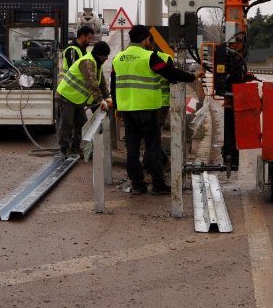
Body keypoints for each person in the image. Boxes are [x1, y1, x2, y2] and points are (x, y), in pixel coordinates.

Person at [111, 25, 204, 195]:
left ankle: (138, 184)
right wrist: (193, 76)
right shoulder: (149, 57)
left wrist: (117, 107)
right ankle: (158, 184)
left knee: (131, 150)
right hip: (147, 110)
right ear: (146, 39)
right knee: (152, 147)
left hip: (127, 112)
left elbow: (113, 85)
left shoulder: (118, 59)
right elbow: (171, 74)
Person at [56, 40, 112, 157]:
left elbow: (101, 83)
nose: (106, 59)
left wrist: (107, 98)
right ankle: (64, 149)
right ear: (99, 54)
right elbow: (92, 83)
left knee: (81, 124)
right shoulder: (87, 62)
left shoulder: (97, 64)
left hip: (77, 100)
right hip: (66, 96)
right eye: (105, 56)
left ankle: (76, 148)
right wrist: (100, 101)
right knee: (67, 124)